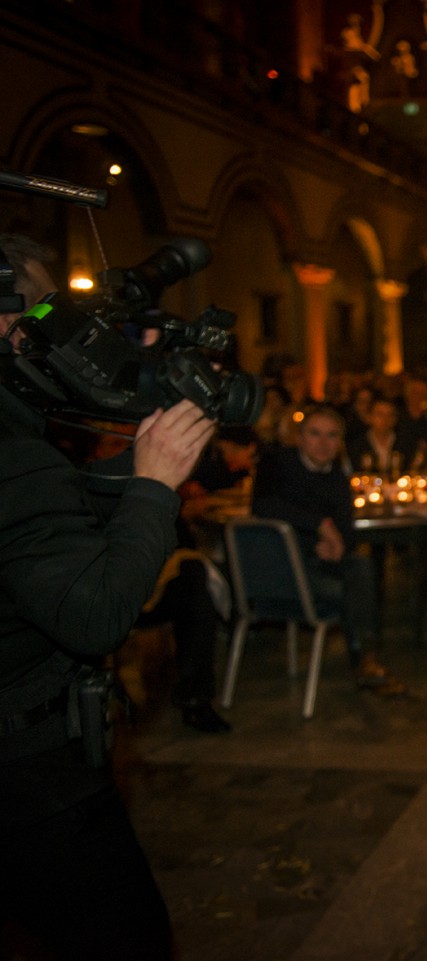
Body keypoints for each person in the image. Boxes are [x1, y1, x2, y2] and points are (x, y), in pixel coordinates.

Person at [1, 233, 216, 958]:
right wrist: (155, 485)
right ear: (6, 320)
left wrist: (138, 464)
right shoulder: (12, 452)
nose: (58, 329)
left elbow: (48, 528)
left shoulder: (24, 443)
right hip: (32, 777)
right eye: (43, 309)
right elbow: (94, 614)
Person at [250, 405, 404, 696]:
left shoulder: (337, 478)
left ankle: (366, 657)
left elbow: (346, 530)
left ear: (340, 442)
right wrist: (320, 525)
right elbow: (262, 506)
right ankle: (365, 661)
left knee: (360, 569)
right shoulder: (277, 464)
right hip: (279, 572)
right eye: (315, 434)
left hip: (319, 566)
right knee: (354, 585)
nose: (323, 443)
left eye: (332, 435)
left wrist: (337, 545)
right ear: (300, 437)